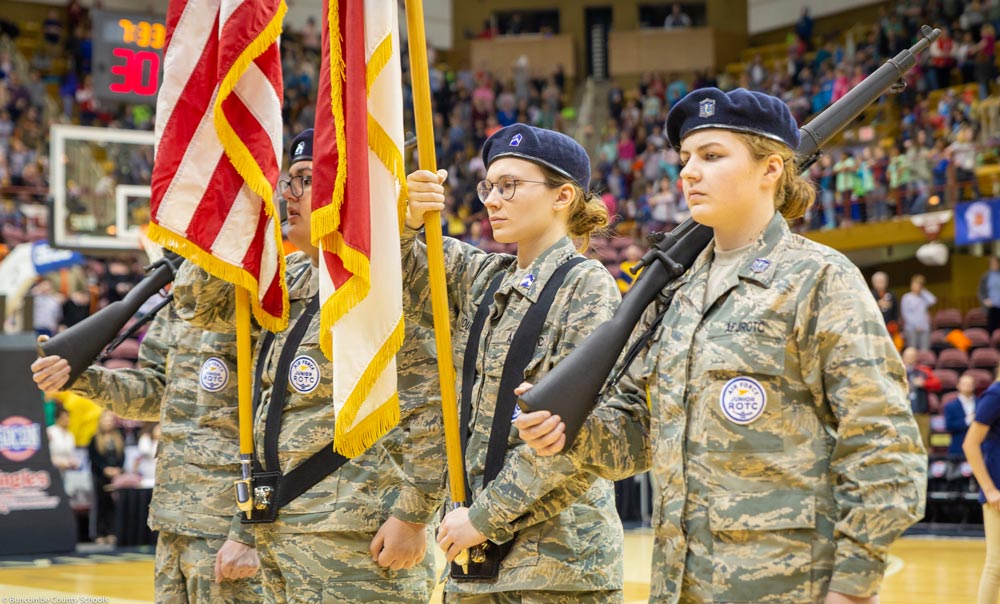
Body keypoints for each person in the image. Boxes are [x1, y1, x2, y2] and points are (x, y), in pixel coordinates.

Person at [515, 88, 927, 603]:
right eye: (686, 159)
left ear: (771, 169)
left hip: (788, 587)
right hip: (680, 586)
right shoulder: (675, 293)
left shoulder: (818, 278)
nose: (688, 172)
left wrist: (853, 586)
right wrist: (566, 433)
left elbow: (883, 443)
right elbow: (640, 435)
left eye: (712, 156)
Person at [173, 129, 433, 603]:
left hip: (359, 539)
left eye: (304, 180)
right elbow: (199, 305)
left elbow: (429, 402)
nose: (287, 195)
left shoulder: (388, 280)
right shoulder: (290, 280)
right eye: (285, 182)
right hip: (281, 529)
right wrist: (241, 218)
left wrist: (414, 516)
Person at [404, 122, 626, 602]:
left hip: (555, 568)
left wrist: (481, 519)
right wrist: (408, 218)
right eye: (489, 186)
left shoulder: (586, 288)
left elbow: (574, 440)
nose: (492, 199)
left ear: (562, 195)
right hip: (473, 562)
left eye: (510, 186)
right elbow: (398, 267)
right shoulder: (485, 278)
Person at [32, 285, 264, 602]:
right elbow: (155, 392)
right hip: (173, 516)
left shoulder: (261, 297)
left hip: (229, 518)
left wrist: (248, 530)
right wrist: (79, 376)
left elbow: (279, 425)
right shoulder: (178, 305)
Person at [963, 369, 1000, 604]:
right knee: (996, 565)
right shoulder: (996, 395)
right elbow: (970, 444)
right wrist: (989, 489)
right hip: (997, 493)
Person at [89, 409, 125, 545]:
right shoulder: (95, 439)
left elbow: (122, 456)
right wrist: (105, 469)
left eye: (111, 420)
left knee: (113, 505)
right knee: (100, 505)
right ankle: (99, 533)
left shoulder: (119, 437)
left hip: (115, 477)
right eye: (106, 419)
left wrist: (118, 469)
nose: (108, 422)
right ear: (101, 421)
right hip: (100, 477)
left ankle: (111, 532)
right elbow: (94, 458)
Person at [901, 346, 942, 451]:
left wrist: (924, 383)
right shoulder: (898, 370)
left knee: (923, 442)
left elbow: (937, 384)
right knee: (903, 442)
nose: (910, 358)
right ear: (903, 357)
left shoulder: (923, 370)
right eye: (908, 356)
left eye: (912, 356)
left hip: (921, 413)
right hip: (902, 413)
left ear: (916, 357)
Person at [900, 273, 936, 351]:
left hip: (924, 328)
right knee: (912, 350)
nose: (916, 286)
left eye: (919, 284)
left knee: (924, 350)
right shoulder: (906, 297)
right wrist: (916, 326)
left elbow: (933, 300)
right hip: (911, 329)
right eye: (915, 283)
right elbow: (905, 314)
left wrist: (923, 290)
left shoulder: (923, 297)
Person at [945, 374, 978, 458]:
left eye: (970, 384)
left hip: (979, 448)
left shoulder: (981, 404)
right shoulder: (950, 406)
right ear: (958, 386)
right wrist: (966, 421)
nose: (968, 386)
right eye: (965, 384)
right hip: (958, 449)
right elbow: (949, 426)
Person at [47, 405, 78, 477]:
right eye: (63, 417)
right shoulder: (50, 432)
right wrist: (58, 463)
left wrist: (72, 462)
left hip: (65, 472)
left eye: (68, 417)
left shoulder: (70, 435)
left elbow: (71, 454)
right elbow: (45, 455)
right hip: (51, 471)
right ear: (57, 419)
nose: (67, 420)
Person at [979, 256, 1000, 335]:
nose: (994, 264)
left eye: (996, 263)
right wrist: (985, 300)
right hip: (992, 308)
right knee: (992, 330)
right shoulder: (986, 276)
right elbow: (981, 291)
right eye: (992, 263)